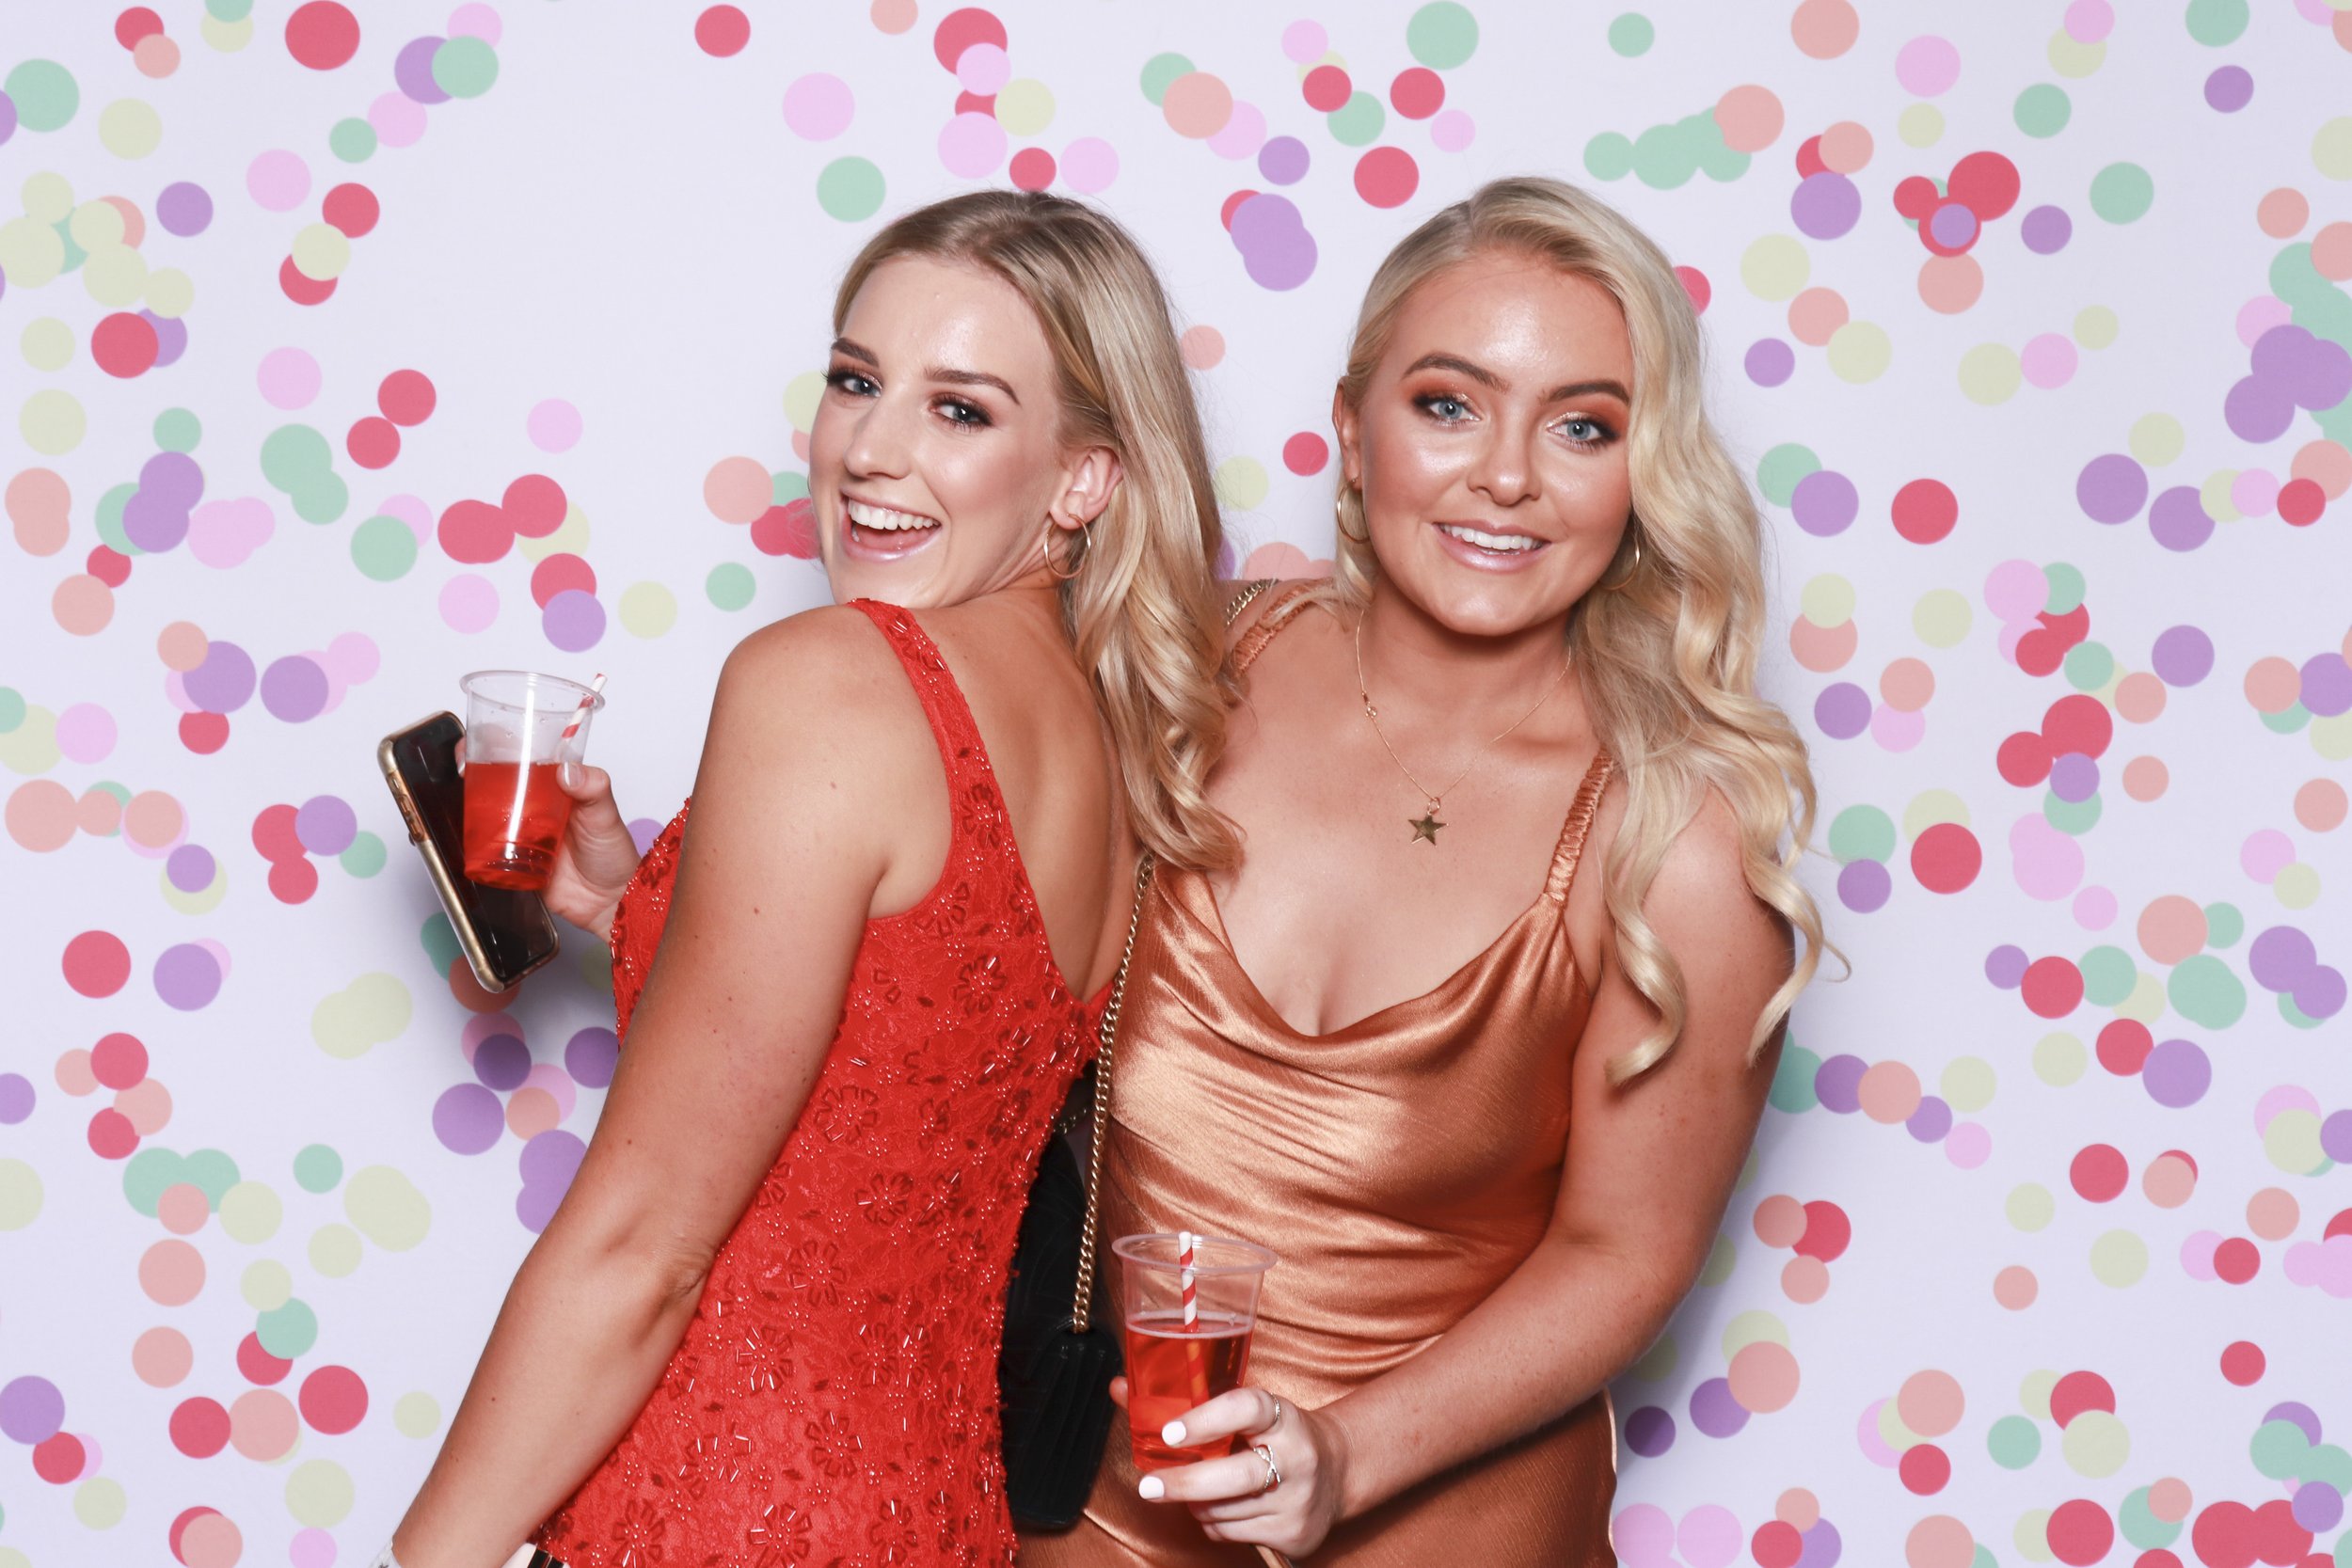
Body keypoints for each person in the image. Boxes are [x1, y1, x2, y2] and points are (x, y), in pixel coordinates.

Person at [378, 190, 1238, 1568]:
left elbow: (644, 1250)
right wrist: (637, 911)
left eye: (960, 410)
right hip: (935, 1519)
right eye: (855, 380)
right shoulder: (1108, 734)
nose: (870, 450)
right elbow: (902, 1072)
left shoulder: (830, 684)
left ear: (1084, 479)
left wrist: (428, 1557)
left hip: (723, 1508)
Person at [1017, 177, 1830, 1567]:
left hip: (1444, 1525)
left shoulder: (1678, 841)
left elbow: (1624, 1256)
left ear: (1645, 473)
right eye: (1449, 405)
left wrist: (1345, 1454)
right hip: (1102, 1511)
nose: (1506, 477)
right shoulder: (1178, 676)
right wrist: (648, 907)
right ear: (1353, 432)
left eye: (1583, 427)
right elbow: (942, 968)